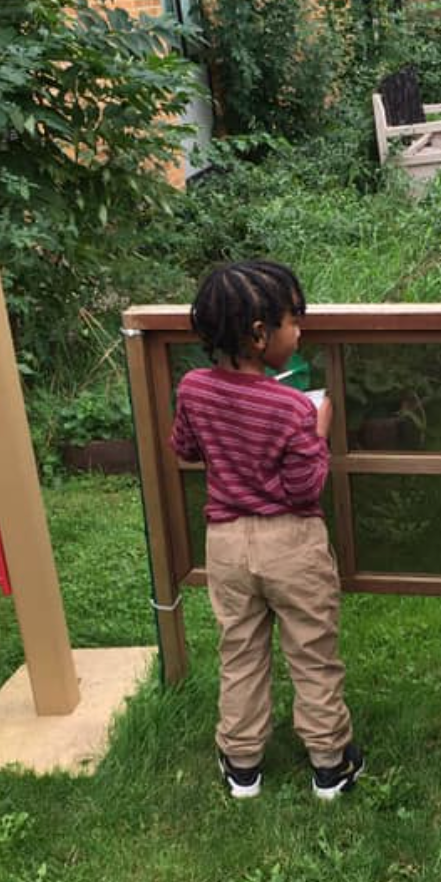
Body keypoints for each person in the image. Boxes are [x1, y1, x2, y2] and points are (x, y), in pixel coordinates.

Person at [170, 260, 363, 801]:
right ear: (260, 335)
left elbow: (185, 448)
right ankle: (329, 765)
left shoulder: (192, 388)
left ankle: (242, 764)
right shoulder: (288, 407)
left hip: (227, 544)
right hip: (291, 543)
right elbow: (305, 487)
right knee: (312, 649)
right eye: (292, 322)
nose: (299, 332)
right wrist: (318, 429)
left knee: (240, 651)